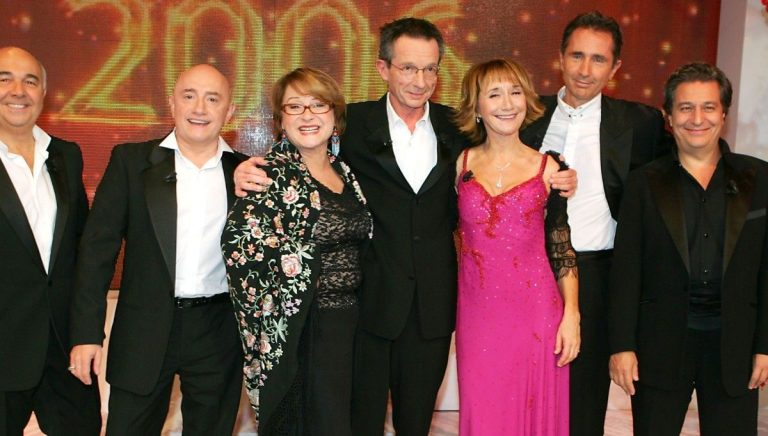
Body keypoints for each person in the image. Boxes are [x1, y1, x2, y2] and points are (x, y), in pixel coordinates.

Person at [234, 17, 576, 435]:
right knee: (360, 423)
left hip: (433, 308)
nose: (420, 80)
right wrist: (243, 169)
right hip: (369, 305)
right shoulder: (353, 124)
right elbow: (304, 141)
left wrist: (562, 172)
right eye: (408, 68)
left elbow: (509, 154)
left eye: (430, 68)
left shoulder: (459, 128)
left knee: (417, 424)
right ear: (384, 69)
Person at [68, 64, 245, 435]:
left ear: (229, 112)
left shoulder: (246, 173)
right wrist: (86, 333)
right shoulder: (131, 163)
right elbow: (97, 252)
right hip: (143, 327)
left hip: (218, 332)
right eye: (189, 96)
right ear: (172, 103)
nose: (200, 108)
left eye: (213, 99)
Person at [519, 11, 670, 435]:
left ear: (616, 67)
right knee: (526, 393)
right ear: (559, 58)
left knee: (583, 400)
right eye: (577, 56)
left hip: (598, 276)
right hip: (528, 273)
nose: (586, 70)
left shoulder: (641, 123)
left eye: (599, 60)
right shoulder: (526, 114)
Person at [608, 62, 768, 436]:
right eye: (685, 108)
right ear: (668, 116)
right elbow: (626, 271)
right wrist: (622, 346)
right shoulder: (643, 183)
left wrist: (765, 345)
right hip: (658, 346)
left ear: (724, 113)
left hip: (735, 348)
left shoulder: (760, 178)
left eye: (708, 107)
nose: (697, 118)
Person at [222, 67, 372, 435]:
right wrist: (298, 274)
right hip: (301, 332)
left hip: (349, 327)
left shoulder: (346, 173)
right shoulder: (266, 174)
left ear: (335, 116)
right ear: (280, 121)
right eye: (295, 107)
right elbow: (237, 248)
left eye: (318, 105)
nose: (307, 115)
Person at [454, 58, 579, 435]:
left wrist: (572, 314)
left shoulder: (552, 169)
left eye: (515, 92)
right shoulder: (458, 163)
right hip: (477, 316)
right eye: (494, 94)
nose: (507, 103)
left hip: (536, 315)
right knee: (483, 409)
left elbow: (562, 247)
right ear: (476, 107)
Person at [0, 46, 101, 436]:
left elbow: (82, 249)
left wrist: (86, 333)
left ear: (44, 92)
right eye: (4, 78)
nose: (18, 90)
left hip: (65, 352)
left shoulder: (65, 155)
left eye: (30, 80)